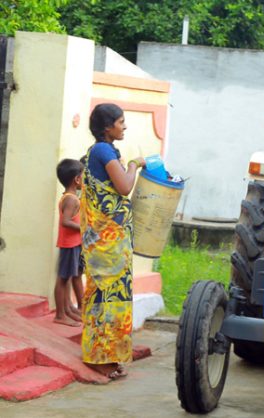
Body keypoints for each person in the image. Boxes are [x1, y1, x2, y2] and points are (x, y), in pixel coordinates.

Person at [81, 103, 145, 380]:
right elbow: (124, 187)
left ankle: (109, 354)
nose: (124, 126)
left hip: (111, 242)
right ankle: (98, 357)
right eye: (120, 122)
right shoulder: (103, 151)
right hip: (106, 244)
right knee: (105, 297)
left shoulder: (102, 151)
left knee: (113, 297)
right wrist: (133, 165)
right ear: (107, 127)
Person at [54, 158, 85, 327]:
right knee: (63, 279)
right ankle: (60, 315)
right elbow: (65, 221)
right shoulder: (71, 199)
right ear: (77, 179)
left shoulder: (71, 197)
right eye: (83, 175)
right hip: (69, 244)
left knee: (67, 277)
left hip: (74, 244)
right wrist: (83, 228)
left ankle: (67, 309)